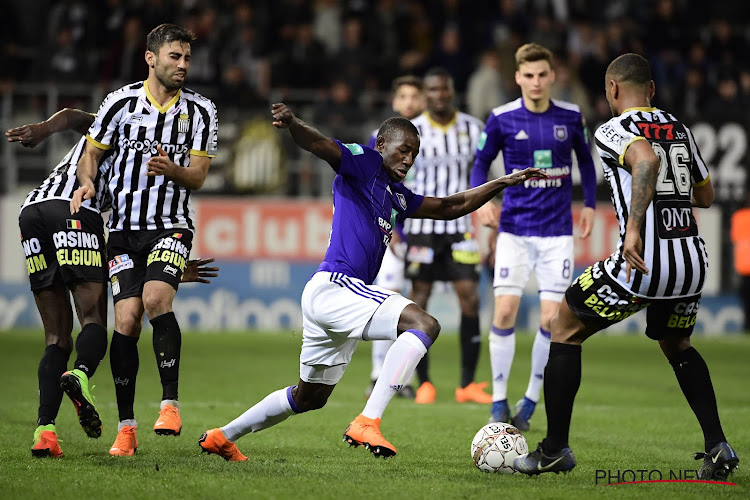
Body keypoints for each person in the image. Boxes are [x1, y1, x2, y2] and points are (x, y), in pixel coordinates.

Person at [197, 103, 546, 462]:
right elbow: (320, 145)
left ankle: (223, 436)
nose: (409, 159)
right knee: (424, 324)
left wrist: (501, 182)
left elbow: (448, 207)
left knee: (309, 398)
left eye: (414, 153)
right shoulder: (364, 163)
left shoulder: (397, 195)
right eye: (403, 149)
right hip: (337, 286)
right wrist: (294, 124)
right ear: (381, 144)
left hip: (329, 298)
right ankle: (368, 420)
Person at [514, 53, 740, 482]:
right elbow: (706, 196)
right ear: (652, 90)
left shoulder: (614, 128)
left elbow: (646, 161)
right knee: (677, 347)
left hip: (642, 261)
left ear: (612, 89)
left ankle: (554, 449)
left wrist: (634, 227)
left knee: (563, 326)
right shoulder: (680, 128)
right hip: (691, 260)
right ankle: (718, 446)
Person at [8, 109, 218, 458]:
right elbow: (78, 115)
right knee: (93, 321)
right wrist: (44, 129)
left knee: (56, 336)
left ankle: (45, 432)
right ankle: (81, 374)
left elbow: (114, 260)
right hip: (75, 209)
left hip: (32, 210)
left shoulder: (119, 145)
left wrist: (169, 268)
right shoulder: (122, 123)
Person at [71, 23, 218, 457]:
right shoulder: (119, 103)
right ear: (151, 58)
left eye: (188, 58)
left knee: (156, 299)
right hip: (120, 232)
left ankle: (170, 404)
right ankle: (127, 428)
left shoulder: (202, 111)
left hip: (171, 224)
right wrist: (86, 183)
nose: (183, 65)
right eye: (175, 56)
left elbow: (199, 176)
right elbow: (90, 156)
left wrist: (172, 170)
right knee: (128, 321)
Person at [470, 43, 597, 429]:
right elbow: (479, 164)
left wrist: (589, 204)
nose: (536, 82)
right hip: (514, 231)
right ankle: (498, 400)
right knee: (505, 311)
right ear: (518, 78)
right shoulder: (501, 118)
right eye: (529, 75)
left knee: (550, 319)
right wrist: (482, 202)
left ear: (552, 75)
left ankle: (529, 398)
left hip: (557, 233)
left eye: (543, 74)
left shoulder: (572, 117)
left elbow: (587, 163)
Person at [405, 67, 491, 405]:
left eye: (444, 89)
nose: (439, 95)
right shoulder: (414, 130)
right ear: (425, 94)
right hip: (423, 229)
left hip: (461, 228)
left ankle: (467, 384)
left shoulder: (473, 127)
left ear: (452, 90)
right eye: (433, 90)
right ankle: (424, 382)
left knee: (470, 299)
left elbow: (485, 171)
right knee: (418, 301)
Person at [365, 75, 424, 400]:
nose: (410, 102)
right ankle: (379, 375)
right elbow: (381, 191)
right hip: (394, 232)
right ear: (395, 102)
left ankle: (401, 377)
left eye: (415, 97)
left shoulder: (429, 140)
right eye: (404, 96)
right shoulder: (381, 139)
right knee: (389, 299)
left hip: (426, 231)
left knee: (413, 304)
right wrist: (395, 230)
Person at [730, 193, 750, 332]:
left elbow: (735, 237)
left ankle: (747, 325)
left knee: (746, 299)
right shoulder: (740, 216)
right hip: (744, 266)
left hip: (743, 265)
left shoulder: (738, 216)